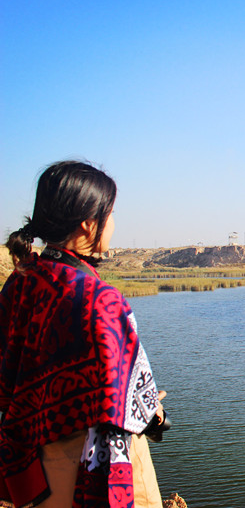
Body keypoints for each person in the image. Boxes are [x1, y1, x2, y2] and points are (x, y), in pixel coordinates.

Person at [0, 161, 168, 508]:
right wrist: (155, 414)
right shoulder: (101, 300)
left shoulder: (21, 280)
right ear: (89, 224)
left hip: (36, 466)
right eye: (111, 214)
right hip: (92, 470)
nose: (114, 223)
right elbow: (129, 406)